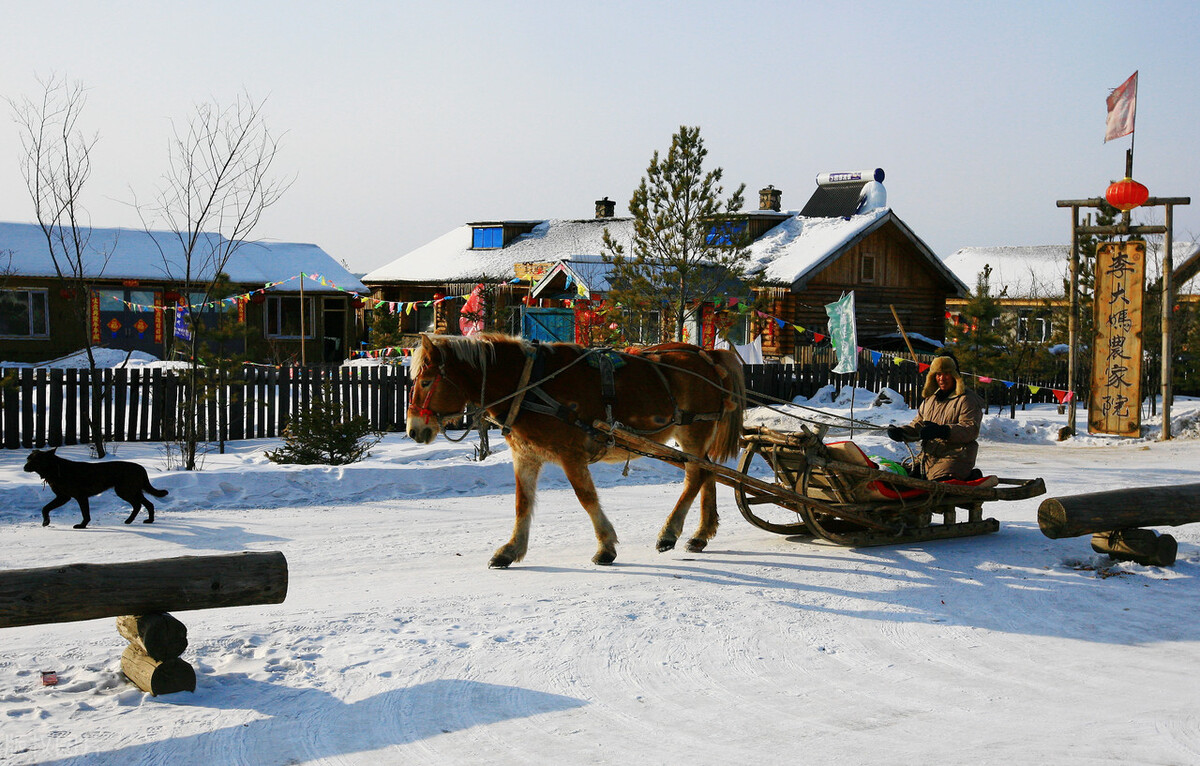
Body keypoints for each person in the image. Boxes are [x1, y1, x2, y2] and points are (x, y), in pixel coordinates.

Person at [886, 355, 985, 481]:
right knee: (902, 478)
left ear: (955, 375)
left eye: (946, 374)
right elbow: (918, 424)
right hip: (928, 457)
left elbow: (970, 429)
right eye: (938, 374)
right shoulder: (930, 400)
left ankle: (970, 477)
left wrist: (943, 431)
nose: (941, 378)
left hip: (956, 457)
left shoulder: (967, 400)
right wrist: (902, 432)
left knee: (937, 486)